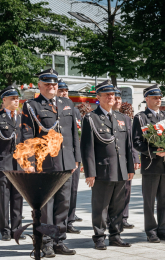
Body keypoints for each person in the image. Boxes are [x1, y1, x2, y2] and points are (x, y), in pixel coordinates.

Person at [21, 69, 81, 257]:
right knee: (46, 206)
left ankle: (59, 241)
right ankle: (45, 243)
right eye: (47, 83)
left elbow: (73, 135)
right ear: (39, 85)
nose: (51, 86)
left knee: (63, 203)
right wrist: (29, 161)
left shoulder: (67, 103)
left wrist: (76, 158)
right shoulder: (32, 106)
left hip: (66, 163)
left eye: (54, 84)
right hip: (44, 164)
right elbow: (27, 135)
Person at [81, 80, 134, 250]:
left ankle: (115, 235)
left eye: (113, 94)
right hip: (102, 170)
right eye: (107, 95)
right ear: (98, 97)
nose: (111, 97)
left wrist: (130, 168)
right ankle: (99, 237)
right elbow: (87, 148)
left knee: (118, 205)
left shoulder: (122, 118)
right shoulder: (92, 118)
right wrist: (90, 172)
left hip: (120, 169)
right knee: (101, 206)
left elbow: (128, 146)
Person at [132, 84, 165, 243]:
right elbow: (136, 142)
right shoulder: (141, 117)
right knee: (149, 201)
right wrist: (154, 151)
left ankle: (163, 230)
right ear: (147, 99)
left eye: (159, 97)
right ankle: (151, 231)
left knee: (164, 200)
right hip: (151, 165)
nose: (158, 100)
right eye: (155, 98)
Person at [56, 79, 83, 234]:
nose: (64, 93)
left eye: (65, 90)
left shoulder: (74, 109)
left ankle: (70, 220)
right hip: (59, 157)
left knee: (72, 190)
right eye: (61, 90)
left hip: (73, 156)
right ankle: (60, 221)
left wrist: (79, 158)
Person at [0, 86, 26, 241]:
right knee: (3, 198)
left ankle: (17, 229)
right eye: (12, 98)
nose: (16, 101)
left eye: (17, 98)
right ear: (4, 100)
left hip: (19, 165)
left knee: (18, 198)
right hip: (4, 164)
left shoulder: (22, 118)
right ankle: (4, 229)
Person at [112, 89, 140, 229]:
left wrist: (135, 158)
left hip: (125, 161)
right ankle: (109, 219)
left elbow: (131, 142)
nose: (117, 101)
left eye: (119, 98)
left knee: (126, 191)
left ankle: (123, 217)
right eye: (115, 98)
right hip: (110, 162)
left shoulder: (126, 119)